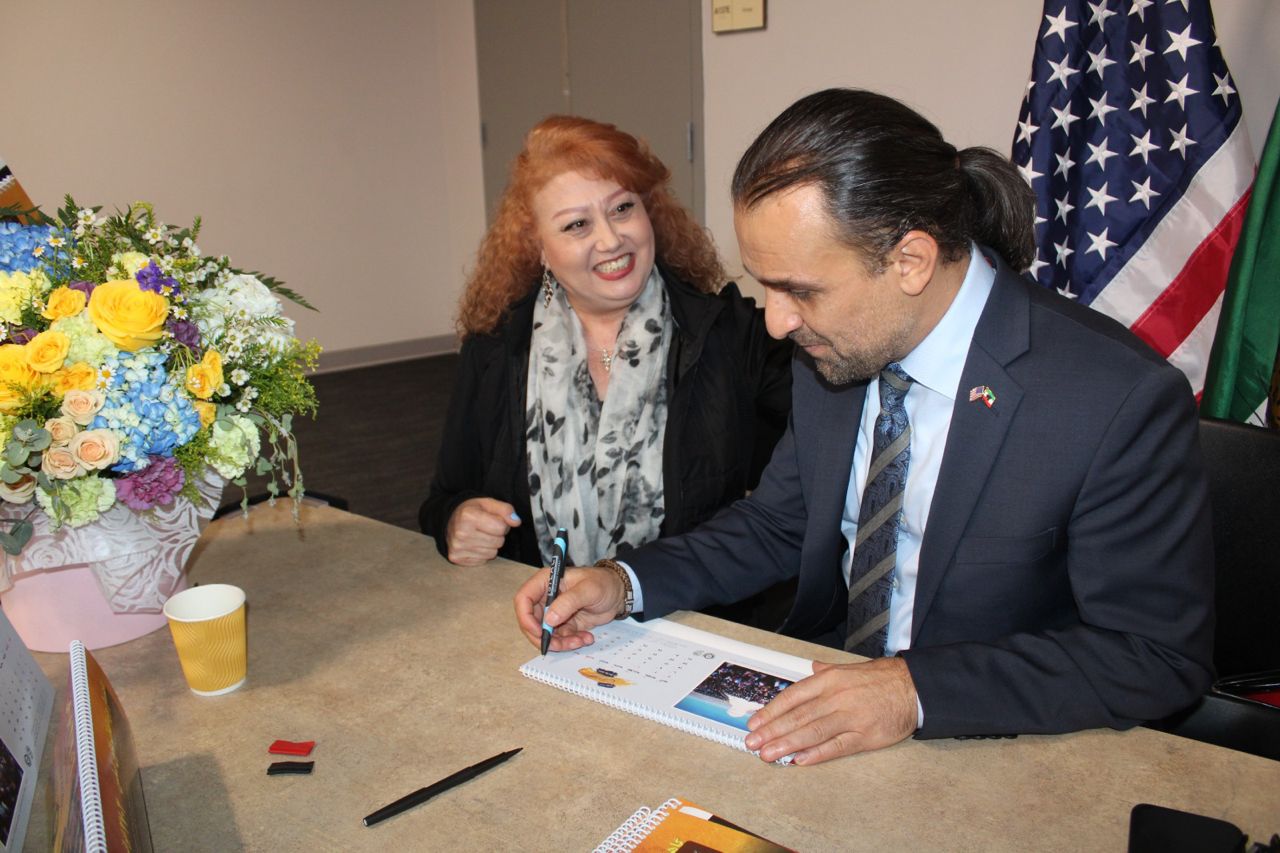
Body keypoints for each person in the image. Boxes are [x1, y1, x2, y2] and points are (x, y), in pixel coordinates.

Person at [514, 89, 1215, 765]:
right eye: (765, 285)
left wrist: (913, 691)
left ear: (909, 261)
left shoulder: (1113, 399)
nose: (776, 322)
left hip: (990, 745)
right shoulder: (835, 348)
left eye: (799, 290)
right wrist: (624, 581)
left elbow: (1153, 655)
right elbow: (779, 524)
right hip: (824, 698)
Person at [420, 115, 792, 583]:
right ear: (538, 247)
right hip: (539, 610)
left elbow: (806, 488)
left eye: (622, 208)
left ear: (649, 211)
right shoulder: (496, 349)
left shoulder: (730, 335)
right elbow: (444, 496)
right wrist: (455, 520)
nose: (611, 239)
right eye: (577, 224)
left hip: (685, 613)